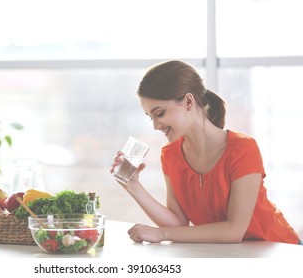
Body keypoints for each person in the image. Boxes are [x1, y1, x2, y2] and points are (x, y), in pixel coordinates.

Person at [110, 60, 301, 245]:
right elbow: (178, 222)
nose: (155, 125)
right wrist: (133, 186)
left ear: (187, 102)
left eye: (159, 113)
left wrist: (162, 234)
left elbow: (233, 231)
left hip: (280, 250)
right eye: (150, 117)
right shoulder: (170, 155)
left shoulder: (243, 149)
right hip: (232, 257)